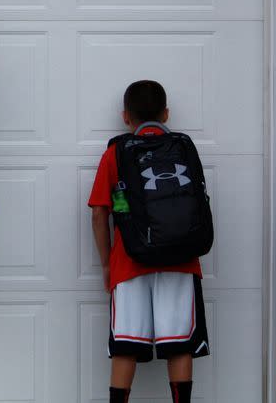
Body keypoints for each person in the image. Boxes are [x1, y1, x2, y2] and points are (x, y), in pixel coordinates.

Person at [88, 80, 210, 403]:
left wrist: (105, 264)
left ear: (125, 116)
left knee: (126, 346)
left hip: (129, 263)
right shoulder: (183, 148)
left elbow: (100, 214)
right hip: (181, 262)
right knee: (180, 344)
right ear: (166, 114)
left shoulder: (116, 153)